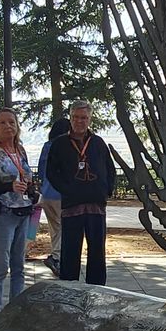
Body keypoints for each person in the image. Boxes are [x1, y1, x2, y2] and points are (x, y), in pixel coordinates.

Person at [0, 108, 39, 316]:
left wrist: (31, 190)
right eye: (2, 123)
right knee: (1, 265)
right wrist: (8, 186)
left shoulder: (20, 150)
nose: (8, 126)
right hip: (3, 214)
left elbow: (25, 176)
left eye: (11, 122)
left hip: (23, 212)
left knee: (19, 264)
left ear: (17, 126)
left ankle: (16, 310)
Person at [54, 101, 117, 283]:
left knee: (97, 251)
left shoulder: (97, 143)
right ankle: (68, 289)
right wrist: (66, 190)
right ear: (70, 118)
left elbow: (109, 169)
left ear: (89, 119)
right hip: (72, 205)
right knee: (70, 251)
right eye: (76, 117)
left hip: (96, 205)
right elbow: (51, 172)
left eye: (84, 118)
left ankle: (97, 289)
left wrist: (106, 191)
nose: (80, 121)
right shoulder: (60, 144)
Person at [36, 115, 68, 275]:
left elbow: (42, 169)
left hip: (47, 193)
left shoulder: (47, 145)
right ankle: (58, 259)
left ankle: (56, 256)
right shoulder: (67, 146)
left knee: (55, 227)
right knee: (64, 227)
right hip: (61, 194)